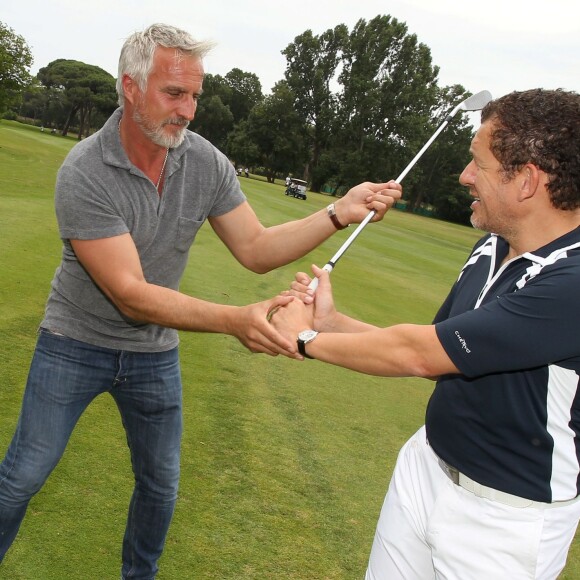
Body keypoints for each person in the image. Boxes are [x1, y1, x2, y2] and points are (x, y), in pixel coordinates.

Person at [0, 23, 401, 579]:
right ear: (131, 88)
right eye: (174, 93)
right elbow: (131, 295)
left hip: (152, 355)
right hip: (74, 343)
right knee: (23, 474)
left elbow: (257, 249)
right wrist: (236, 319)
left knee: (160, 485)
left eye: (194, 96)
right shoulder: (85, 172)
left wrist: (338, 212)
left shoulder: (204, 161)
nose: (187, 110)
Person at [270, 88, 580, 579]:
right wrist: (331, 323)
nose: (465, 177)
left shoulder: (573, 280)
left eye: (478, 163)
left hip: (508, 517)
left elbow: (420, 355)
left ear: (526, 180)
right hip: (425, 467)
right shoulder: (489, 248)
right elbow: (445, 351)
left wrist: (308, 341)